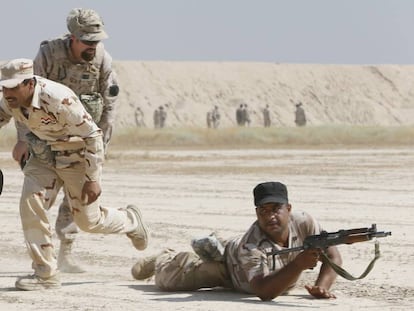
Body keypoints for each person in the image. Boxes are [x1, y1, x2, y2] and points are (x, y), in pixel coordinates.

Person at [0, 58, 149, 291]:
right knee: (30, 203)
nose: (7, 92)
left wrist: (92, 179)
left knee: (89, 222)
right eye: (4, 86)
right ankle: (45, 274)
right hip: (44, 157)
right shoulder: (10, 100)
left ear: (29, 83)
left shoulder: (59, 98)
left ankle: (130, 220)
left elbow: (93, 136)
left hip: (76, 157)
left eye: (13, 86)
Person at [11, 8, 120, 273]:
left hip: (82, 140)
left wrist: (99, 151)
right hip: (45, 139)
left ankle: (66, 253)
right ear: (72, 38)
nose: (93, 46)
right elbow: (24, 96)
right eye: (87, 41)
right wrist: (23, 139)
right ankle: (43, 263)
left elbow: (109, 108)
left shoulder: (103, 60)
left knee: (78, 206)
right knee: (38, 199)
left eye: (96, 41)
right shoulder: (48, 55)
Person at [131, 181, 341, 301]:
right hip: (230, 270)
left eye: (276, 209)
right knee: (169, 282)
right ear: (257, 213)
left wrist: (321, 287)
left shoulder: (305, 223)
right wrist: (298, 264)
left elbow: (333, 254)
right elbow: (263, 291)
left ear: (289, 209)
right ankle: (165, 258)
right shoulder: (252, 244)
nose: (270, 216)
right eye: (263, 211)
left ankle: (213, 245)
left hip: (245, 259)